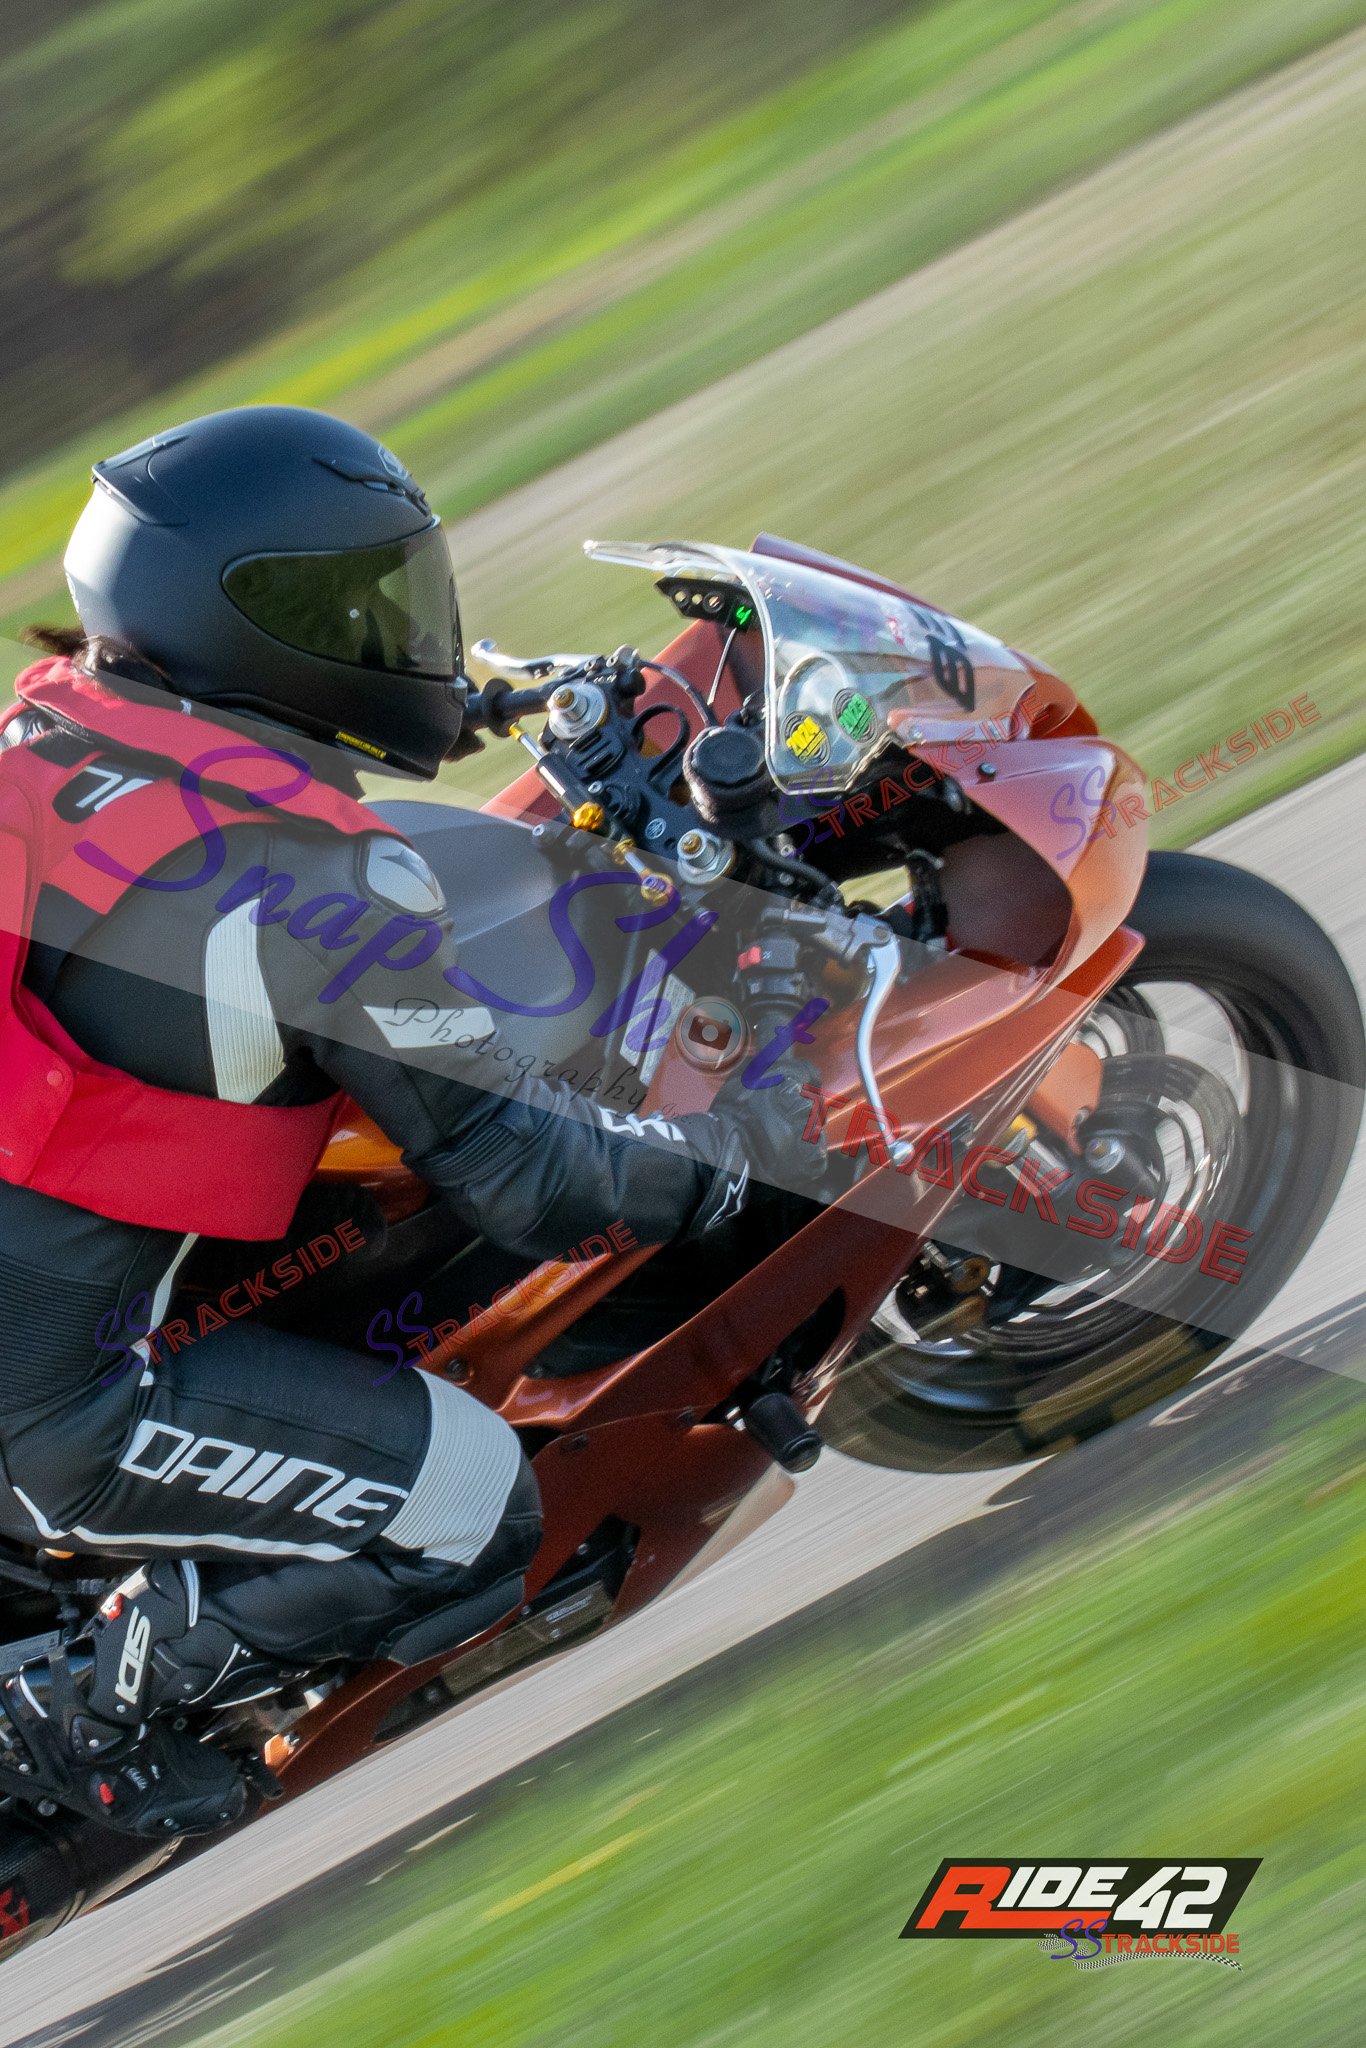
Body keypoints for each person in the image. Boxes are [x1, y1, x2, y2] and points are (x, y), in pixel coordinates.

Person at [0, 406, 818, 1838]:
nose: (402, 637)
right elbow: (528, 1179)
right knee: (473, 1506)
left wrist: (494, 710)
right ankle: (75, 1722)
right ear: (256, 627)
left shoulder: (52, 730)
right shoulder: (308, 887)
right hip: (48, 1420)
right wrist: (721, 1166)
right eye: (359, 610)